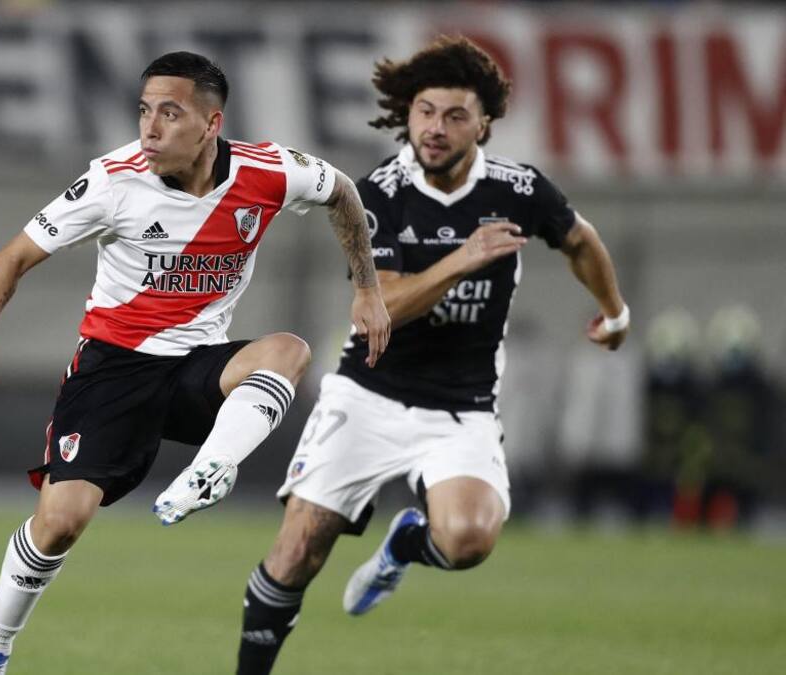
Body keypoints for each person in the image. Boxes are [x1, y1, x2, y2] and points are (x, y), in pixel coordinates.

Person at [0, 51, 390, 675]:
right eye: (145, 111)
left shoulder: (268, 172)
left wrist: (365, 288)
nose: (150, 128)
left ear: (211, 123)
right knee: (62, 524)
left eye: (170, 114)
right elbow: (9, 259)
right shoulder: (112, 181)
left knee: (290, 349)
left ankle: (213, 468)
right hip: (113, 371)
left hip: (196, 367)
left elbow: (342, 192)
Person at [232, 36, 630, 674]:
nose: (435, 128)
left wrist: (615, 313)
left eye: (454, 115)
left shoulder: (519, 188)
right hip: (367, 393)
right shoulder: (375, 197)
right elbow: (378, 308)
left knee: (469, 540)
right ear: (406, 114)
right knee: (298, 551)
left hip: (460, 405)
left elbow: (580, 240)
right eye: (424, 111)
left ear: (484, 124)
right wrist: (465, 257)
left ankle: (404, 547)